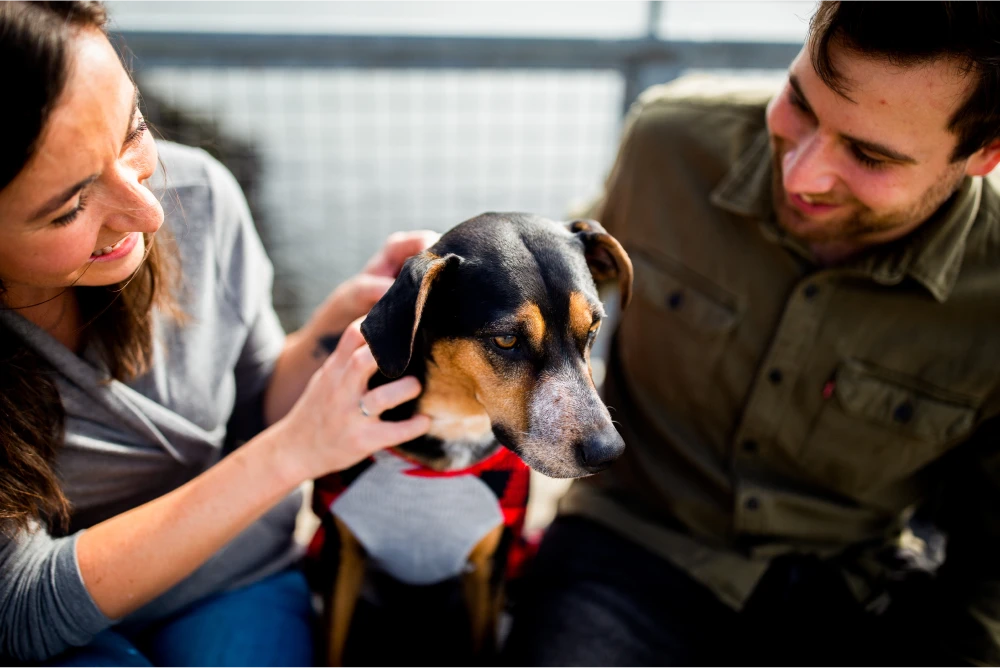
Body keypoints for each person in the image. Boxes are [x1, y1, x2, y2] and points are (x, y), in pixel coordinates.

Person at [502, 1, 1000, 666]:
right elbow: (555, 290)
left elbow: (989, 565)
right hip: (625, 549)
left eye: (869, 156)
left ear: (985, 154)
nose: (803, 175)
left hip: (846, 595)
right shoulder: (667, 142)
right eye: (799, 102)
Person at [0, 1, 434, 665]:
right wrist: (292, 454)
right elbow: (20, 609)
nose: (148, 212)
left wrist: (333, 326)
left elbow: (256, 402)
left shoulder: (200, 193)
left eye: (133, 132)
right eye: (70, 209)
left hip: (233, 580)